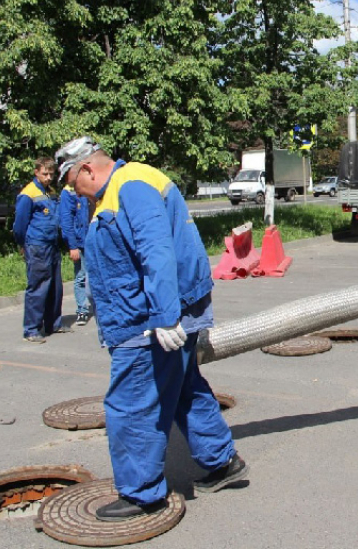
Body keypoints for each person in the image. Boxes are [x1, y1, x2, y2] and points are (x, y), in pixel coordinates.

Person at [55, 136, 249, 521]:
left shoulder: (130, 186)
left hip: (147, 319)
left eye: (73, 183)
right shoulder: (124, 186)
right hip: (159, 312)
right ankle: (222, 462)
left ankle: (142, 494)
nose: (74, 192)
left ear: (87, 169)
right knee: (181, 391)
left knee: (131, 402)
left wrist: (164, 318)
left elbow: (156, 251)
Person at [13, 157, 64, 344]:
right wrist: (22, 244)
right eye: (45, 173)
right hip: (37, 245)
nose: (48, 177)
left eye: (51, 174)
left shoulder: (50, 192)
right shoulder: (28, 194)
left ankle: (53, 323)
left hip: (52, 244)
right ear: (36, 172)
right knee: (38, 287)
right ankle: (31, 329)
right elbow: (19, 224)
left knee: (55, 287)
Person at [59, 183, 92, 325]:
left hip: (92, 238)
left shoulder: (89, 184)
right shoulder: (68, 192)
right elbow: (66, 220)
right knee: (81, 276)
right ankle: (82, 310)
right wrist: (72, 246)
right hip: (79, 241)